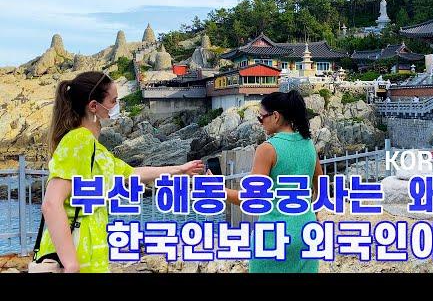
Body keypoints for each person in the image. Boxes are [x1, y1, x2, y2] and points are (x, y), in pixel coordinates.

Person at [38, 71, 204, 273]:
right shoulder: (79, 141)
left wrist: (179, 170)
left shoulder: (94, 148)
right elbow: (51, 203)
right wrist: (71, 265)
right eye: (113, 101)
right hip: (75, 260)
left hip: (92, 258)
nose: (117, 107)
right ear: (93, 106)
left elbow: (131, 174)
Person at [223, 90, 323, 273]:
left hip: (273, 238)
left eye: (261, 118)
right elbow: (321, 187)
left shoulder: (267, 149)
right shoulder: (308, 144)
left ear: (275, 116)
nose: (260, 123)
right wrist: (312, 213)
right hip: (307, 232)